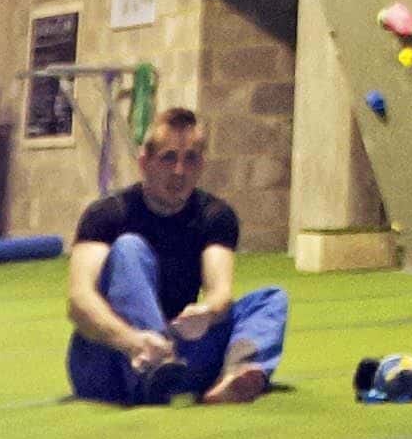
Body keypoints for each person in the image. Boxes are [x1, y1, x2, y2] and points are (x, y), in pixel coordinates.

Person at [67, 105, 287, 405]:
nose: (179, 172)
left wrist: (207, 313)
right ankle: (158, 368)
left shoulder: (215, 216)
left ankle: (236, 373)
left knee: (271, 300)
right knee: (130, 247)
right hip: (110, 358)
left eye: (190, 159)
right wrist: (133, 342)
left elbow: (220, 292)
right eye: (168, 158)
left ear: (201, 166)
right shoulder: (107, 214)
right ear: (145, 163)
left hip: (178, 350)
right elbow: (79, 302)